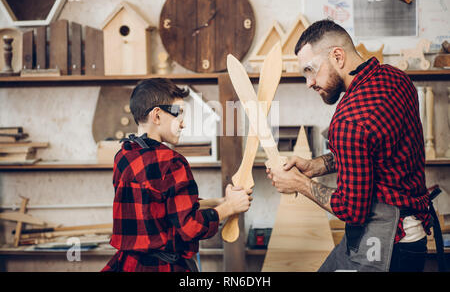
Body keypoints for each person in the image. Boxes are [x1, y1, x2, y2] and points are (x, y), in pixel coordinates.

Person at [266, 19, 432, 272]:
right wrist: (314, 166)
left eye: (311, 69)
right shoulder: (395, 79)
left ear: (337, 56)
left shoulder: (349, 120)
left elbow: (352, 209)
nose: (309, 82)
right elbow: (373, 150)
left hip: (388, 244)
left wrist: (299, 183)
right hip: (415, 237)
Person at [102, 79, 252, 272]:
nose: (183, 123)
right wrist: (229, 207)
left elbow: (158, 205)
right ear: (156, 115)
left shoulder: (124, 154)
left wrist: (220, 201)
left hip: (129, 264)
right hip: (162, 267)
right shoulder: (172, 162)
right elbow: (190, 227)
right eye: (178, 113)